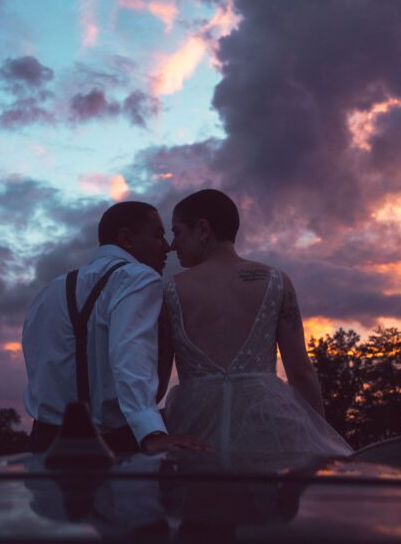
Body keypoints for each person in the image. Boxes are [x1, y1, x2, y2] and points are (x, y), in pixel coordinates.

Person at [161, 189, 352, 460]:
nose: (172, 245)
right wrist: (319, 436)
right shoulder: (276, 281)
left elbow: (155, 383)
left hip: (194, 428)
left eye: (177, 232)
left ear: (203, 229)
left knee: (199, 497)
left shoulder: (168, 291)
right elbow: (301, 373)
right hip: (269, 428)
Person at [22, 200, 208, 454]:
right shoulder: (138, 277)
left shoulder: (48, 291)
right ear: (126, 239)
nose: (166, 247)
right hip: (113, 444)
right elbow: (131, 352)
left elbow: (37, 365)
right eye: (157, 235)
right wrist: (150, 431)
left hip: (44, 443)